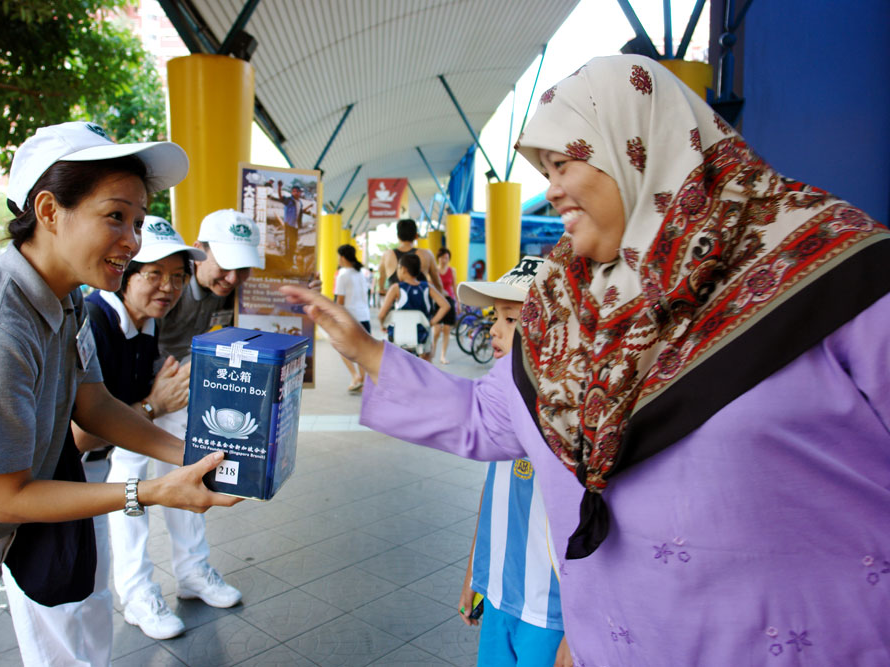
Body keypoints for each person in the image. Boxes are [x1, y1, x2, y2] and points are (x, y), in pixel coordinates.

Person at [281, 55, 890, 665]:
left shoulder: (833, 270)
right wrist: (361, 348)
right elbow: (483, 417)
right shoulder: (559, 314)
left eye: (564, 162)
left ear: (639, 144)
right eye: (544, 169)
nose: (551, 189)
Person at [0, 121, 241, 666]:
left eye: (139, 221)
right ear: (49, 211)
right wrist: (151, 492)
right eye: (116, 216)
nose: (133, 240)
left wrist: (193, 457)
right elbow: (4, 498)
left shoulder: (65, 301)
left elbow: (95, 405)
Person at [2, 216, 206, 663]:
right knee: (56, 608)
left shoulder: (144, 325)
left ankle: (140, 597)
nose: (167, 288)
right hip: (47, 487)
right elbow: (77, 434)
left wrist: (194, 457)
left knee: (93, 594)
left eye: (177, 277)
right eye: (153, 274)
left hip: (93, 478)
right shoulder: (87, 319)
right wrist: (153, 406)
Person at [105, 208, 263, 639]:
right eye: (225, 264)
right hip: (135, 405)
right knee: (129, 488)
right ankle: (136, 590)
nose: (232, 277)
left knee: (192, 474)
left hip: (175, 402)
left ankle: (192, 570)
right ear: (202, 253)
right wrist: (152, 401)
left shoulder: (221, 294)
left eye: (242, 268)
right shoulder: (112, 312)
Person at [452, 256, 567, 667]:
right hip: (499, 595)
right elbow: (493, 495)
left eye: (512, 319)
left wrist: (578, 628)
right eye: (496, 317)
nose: (496, 331)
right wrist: (474, 574)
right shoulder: (504, 409)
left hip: (551, 613)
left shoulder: (574, 422)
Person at [377, 253, 449, 360]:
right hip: (421, 337)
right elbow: (445, 306)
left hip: (399, 336)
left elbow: (381, 314)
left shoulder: (396, 288)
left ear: (403, 269)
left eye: (398, 268)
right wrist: (431, 323)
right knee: (427, 354)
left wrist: (383, 325)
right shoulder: (427, 287)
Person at [333, 243, 371, 392]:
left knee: (340, 346)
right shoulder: (360, 273)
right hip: (364, 317)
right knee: (361, 351)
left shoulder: (343, 274)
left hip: (350, 318)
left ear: (342, 257)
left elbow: (340, 301)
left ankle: (355, 376)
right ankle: (363, 382)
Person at [378, 218, 444, 297]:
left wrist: (382, 289)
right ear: (416, 236)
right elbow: (437, 282)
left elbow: (381, 279)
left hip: (395, 305)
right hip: (420, 305)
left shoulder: (387, 255)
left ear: (398, 236)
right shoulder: (427, 254)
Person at [431, 246, 458, 364]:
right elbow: (430, 286)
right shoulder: (434, 271)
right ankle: (432, 353)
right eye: (442, 257)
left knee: (446, 330)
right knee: (436, 331)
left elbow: (455, 286)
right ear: (438, 258)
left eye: (446, 257)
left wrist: (458, 303)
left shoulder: (452, 271)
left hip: (449, 301)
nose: (444, 260)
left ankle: (443, 356)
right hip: (437, 301)